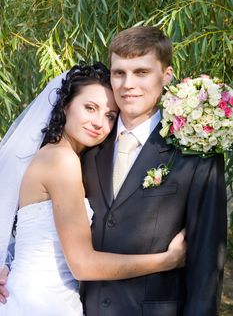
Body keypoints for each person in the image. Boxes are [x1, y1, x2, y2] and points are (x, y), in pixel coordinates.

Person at [0, 62, 186, 315]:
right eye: (90, 108)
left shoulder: (59, 156)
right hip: (43, 302)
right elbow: (83, 265)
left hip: (37, 294)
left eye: (110, 116)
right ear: (65, 106)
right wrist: (167, 260)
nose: (99, 122)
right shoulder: (61, 161)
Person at [80, 27, 227, 316]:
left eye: (141, 72)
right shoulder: (88, 144)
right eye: (119, 73)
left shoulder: (195, 153)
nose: (127, 84)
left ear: (167, 75)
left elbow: (207, 266)